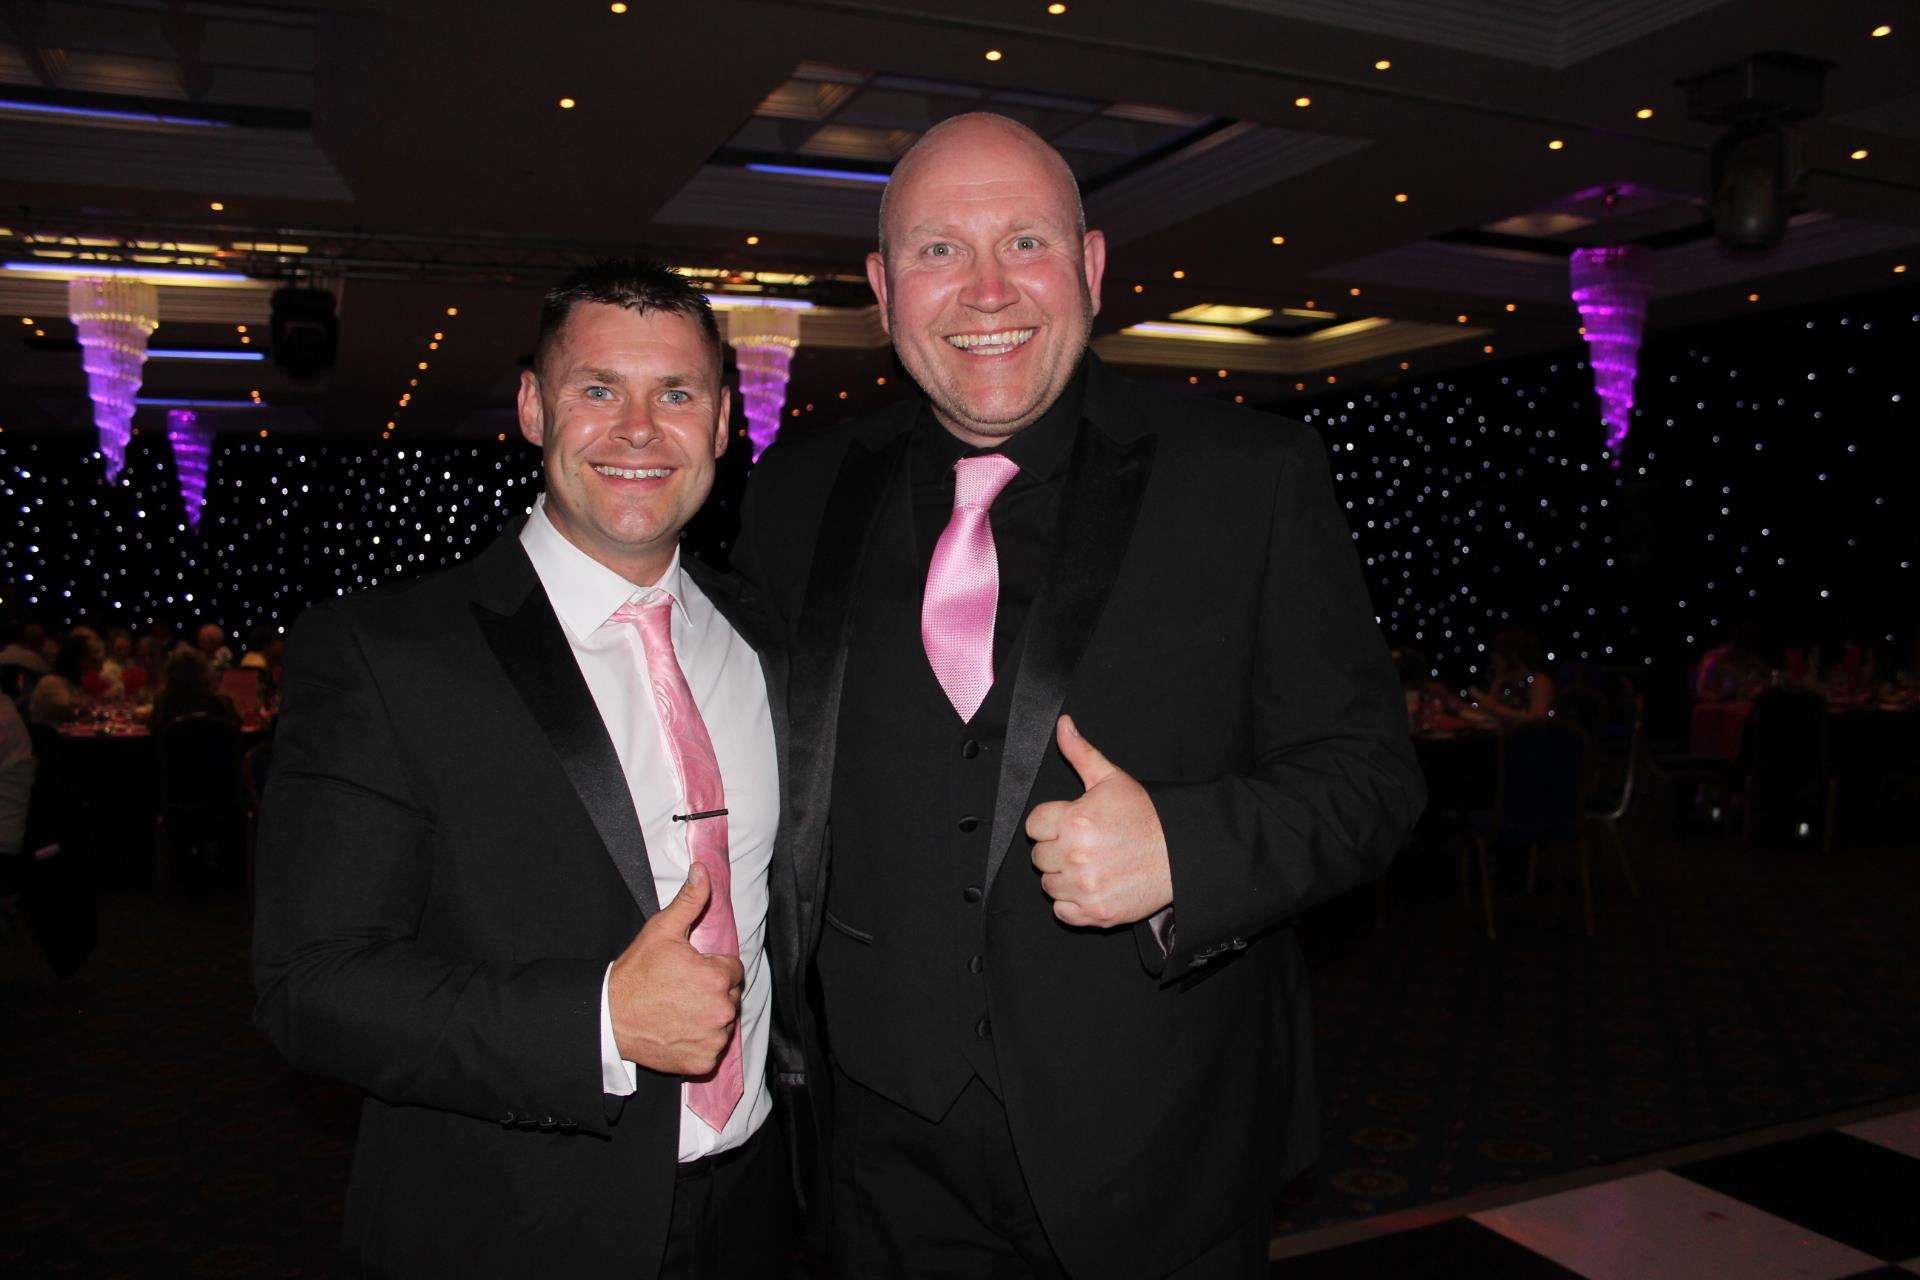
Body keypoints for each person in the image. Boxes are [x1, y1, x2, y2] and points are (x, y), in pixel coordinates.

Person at [735, 113, 1425, 1279]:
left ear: (1093, 268)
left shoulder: (1249, 477)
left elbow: (1373, 780)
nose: (987, 289)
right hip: (883, 1145)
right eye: (938, 251)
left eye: (1028, 244)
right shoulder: (796, 492)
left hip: (1160, 1135)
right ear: (882, 287)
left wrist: (1187, 852)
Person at [254, 259, 793, 1277]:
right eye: (599, 389)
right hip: (510, 1221)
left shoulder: (765, 638)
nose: (639, 430)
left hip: (757, 1212)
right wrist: (599, 1019)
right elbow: (309, 985)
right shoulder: (387, 653)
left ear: (723, 420)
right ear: (534, 407)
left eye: (675, 393)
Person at [1469, 629, 1555, 724]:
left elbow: (1538, 720)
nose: (1493, 658)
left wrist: (1495, 708)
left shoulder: (1538, 681)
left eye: (1498, 653)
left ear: (1513, 657)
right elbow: (1484, 714)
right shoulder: (1501, 681)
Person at [146, 650, 240, 733]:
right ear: (204, 674)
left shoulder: (162, 703)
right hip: (217, 753)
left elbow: (152, 730)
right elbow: (236, 728)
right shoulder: (221, 703)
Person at [26, 634, 96, 727]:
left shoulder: (72, 683)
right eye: (88, 656)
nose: (93, 660)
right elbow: (70, 708)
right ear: (77, 658)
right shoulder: (51, 682)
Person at [1696, 622, 1768, 702]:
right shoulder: (1714, 660)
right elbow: (1703, 692)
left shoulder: (1750, 659)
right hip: (1717, 710)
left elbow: (1765, 678)